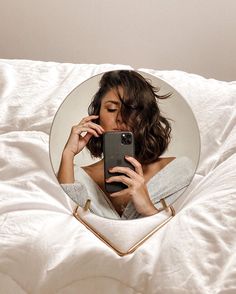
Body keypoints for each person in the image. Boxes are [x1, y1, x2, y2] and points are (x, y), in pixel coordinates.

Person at [57, 70, 194, 220]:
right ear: (97, 115)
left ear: (145, 117)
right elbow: (63, 217)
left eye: (130, 110)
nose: (120, 118)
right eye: (111, 109)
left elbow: (181, 233)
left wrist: (148, 208)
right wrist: (68, 154)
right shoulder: (76, 176)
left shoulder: (177, 171)